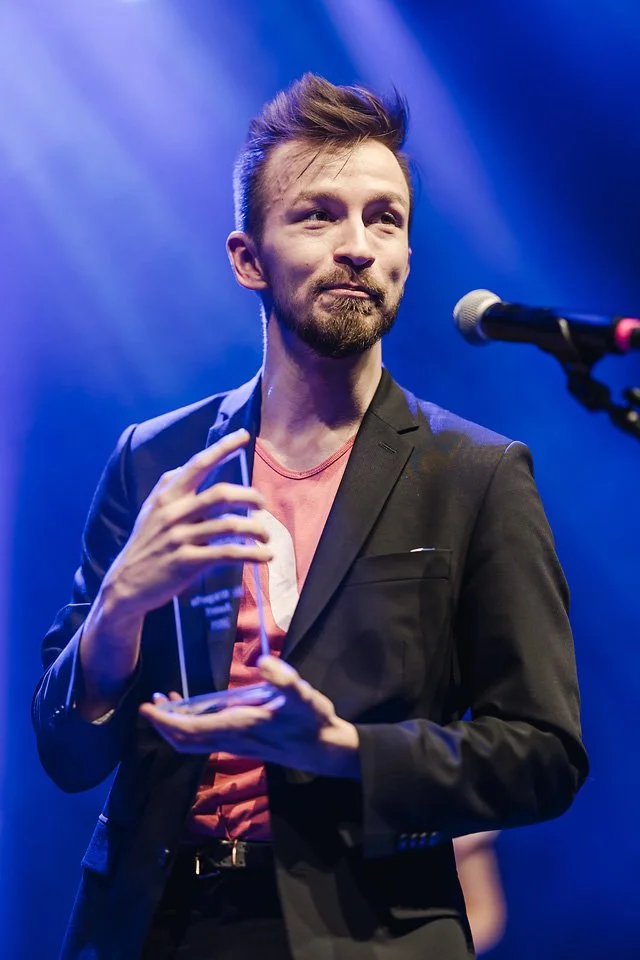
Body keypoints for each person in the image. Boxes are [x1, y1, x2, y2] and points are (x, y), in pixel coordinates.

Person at [32, 74, 588, 960]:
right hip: (150, 925)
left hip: (365, 929)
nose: (358, 246)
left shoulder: (477, 476)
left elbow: (544, 756)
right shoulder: (153, 460)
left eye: (384, 219)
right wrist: (117, 609)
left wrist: (344, 748)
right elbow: (65, 755)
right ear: (248, 258)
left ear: (407, 256)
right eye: (319, 216)